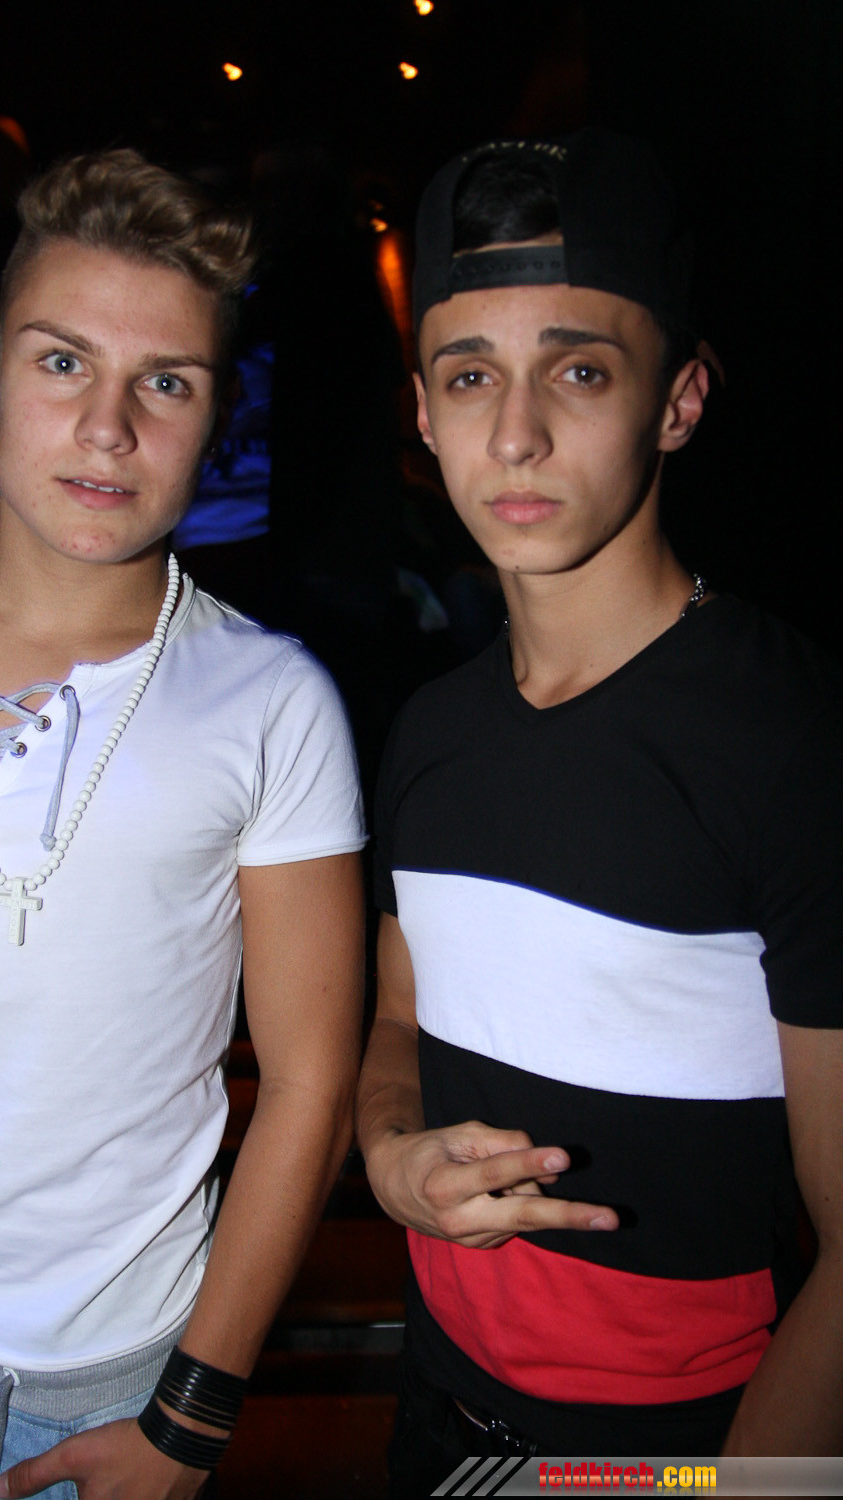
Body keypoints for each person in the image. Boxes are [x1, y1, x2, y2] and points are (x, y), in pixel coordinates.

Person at [0, 149, 365, 1500]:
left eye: (166, 383)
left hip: (89, 1380)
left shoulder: (273, 701)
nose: (107, 428)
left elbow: (310, 1085)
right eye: (63, 362)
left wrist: (190, 1418)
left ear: (218, 414)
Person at [356, 128, 843, 1490]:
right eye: (470, 376)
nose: (515, 434)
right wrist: (390, 1157)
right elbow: (393, 1028)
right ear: (423, 413)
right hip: (439, 1423)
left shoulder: (794, 741)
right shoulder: (426, 732)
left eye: (578, 370)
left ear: (678, 401)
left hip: (689, 1454)